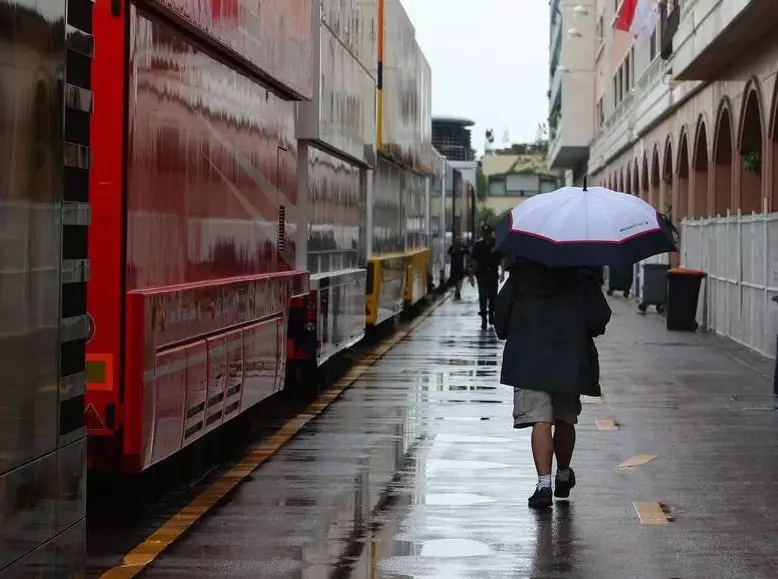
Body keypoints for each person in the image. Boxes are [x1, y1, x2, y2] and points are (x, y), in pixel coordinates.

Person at [494, 258, 612, 508]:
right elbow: (598, 319)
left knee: (541, 421)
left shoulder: (521, 273)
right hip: (569, 359)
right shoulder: (581, 274)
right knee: (565, 419)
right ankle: (563, 475)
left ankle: (543, 485)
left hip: (528, 359)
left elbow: (501, 322)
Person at [470, 224, 503, 329]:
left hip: (493, 273)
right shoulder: (478, 245)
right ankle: (484, 318)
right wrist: (472, 275)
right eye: (484, 234)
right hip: (482, 274)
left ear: (490, 233)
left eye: (487, 233)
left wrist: (502, 272)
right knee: (482, 296)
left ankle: (491, 314)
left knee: (493, 297)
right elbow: (474, 260)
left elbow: (501, 259)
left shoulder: (497, 244)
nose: (486, 236)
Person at [447, 235, 470, 300]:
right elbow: (448, 252)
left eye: (460, 239)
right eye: (457, 239)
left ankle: (458, 290)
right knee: (455, 280)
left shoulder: (463, 246)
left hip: (461, 266)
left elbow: (468, 252)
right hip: (454, 266)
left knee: (460, 279)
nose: (458, 241)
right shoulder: (453, 246)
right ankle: (457, 289)